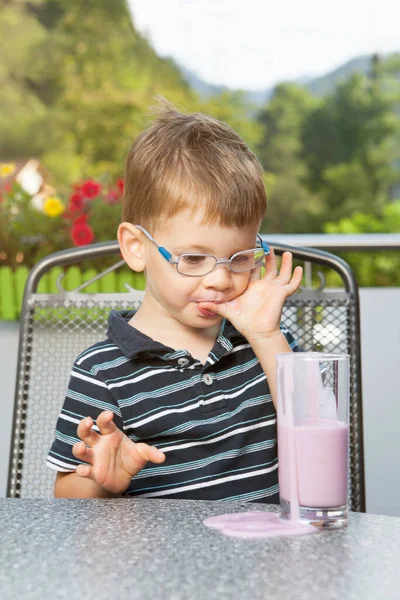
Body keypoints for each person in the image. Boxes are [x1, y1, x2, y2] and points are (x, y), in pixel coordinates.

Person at [48, 99, 303, 502]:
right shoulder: (102, 371)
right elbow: (68, 496)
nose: (220, 279)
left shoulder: (269, 341)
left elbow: (316, 431)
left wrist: (266, 336)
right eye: (194, 258)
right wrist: (101, 478)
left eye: (239, 258)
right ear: (135, 248)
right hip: (160, 564)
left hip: (268, 560)